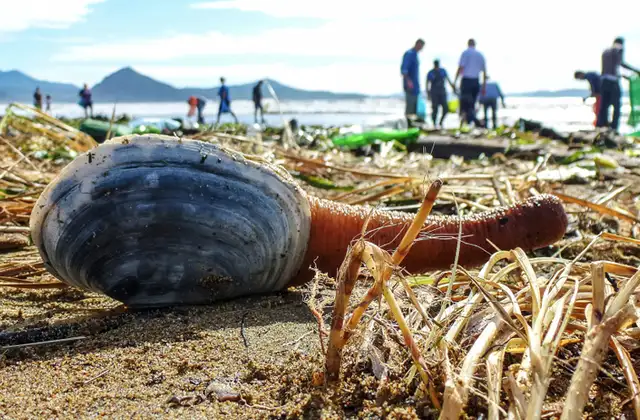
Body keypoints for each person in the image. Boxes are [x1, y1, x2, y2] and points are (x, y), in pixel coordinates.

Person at [596, 37, 640, 132]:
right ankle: (614, 128)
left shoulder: (605, 52)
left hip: (603, 81)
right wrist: (636, 70)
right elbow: (621, 63)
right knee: (616, 105)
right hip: (613, 82)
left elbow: (611, 67)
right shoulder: (618, 49)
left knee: (604, 105)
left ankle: (601, 125)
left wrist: (623, 76)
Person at [454, 39, 487, 127]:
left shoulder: (465, 53)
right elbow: (484, 73)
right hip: (476, 81)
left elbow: (461, 67)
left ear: (468, 44)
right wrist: (484, 87)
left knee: (464, 104)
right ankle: (471, 123)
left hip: (466, 81)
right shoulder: (480, 55)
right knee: (472, 104)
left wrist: (455, 81)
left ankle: (472, 123)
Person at [401, 39, 425, 126]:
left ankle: (412, 126)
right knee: (410, 107)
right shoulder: (409, 54)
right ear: (418, 44)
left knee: (415, 107)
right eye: (421, 46)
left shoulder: (415, 55)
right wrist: (408, 81)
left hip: (415, 86)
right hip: (410, 85)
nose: (421, 48)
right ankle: (407, 126)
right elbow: (404, 70)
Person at [426, 59, 456, 129]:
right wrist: (428, 94)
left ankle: (440, 122)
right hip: (434, 93)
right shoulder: (430, 73)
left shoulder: (443, 71)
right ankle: (434, 124)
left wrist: (453, 88)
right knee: (435, 109)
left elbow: (448, 80)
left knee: (446, 108)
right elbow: (427, 83)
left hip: (442, 92)